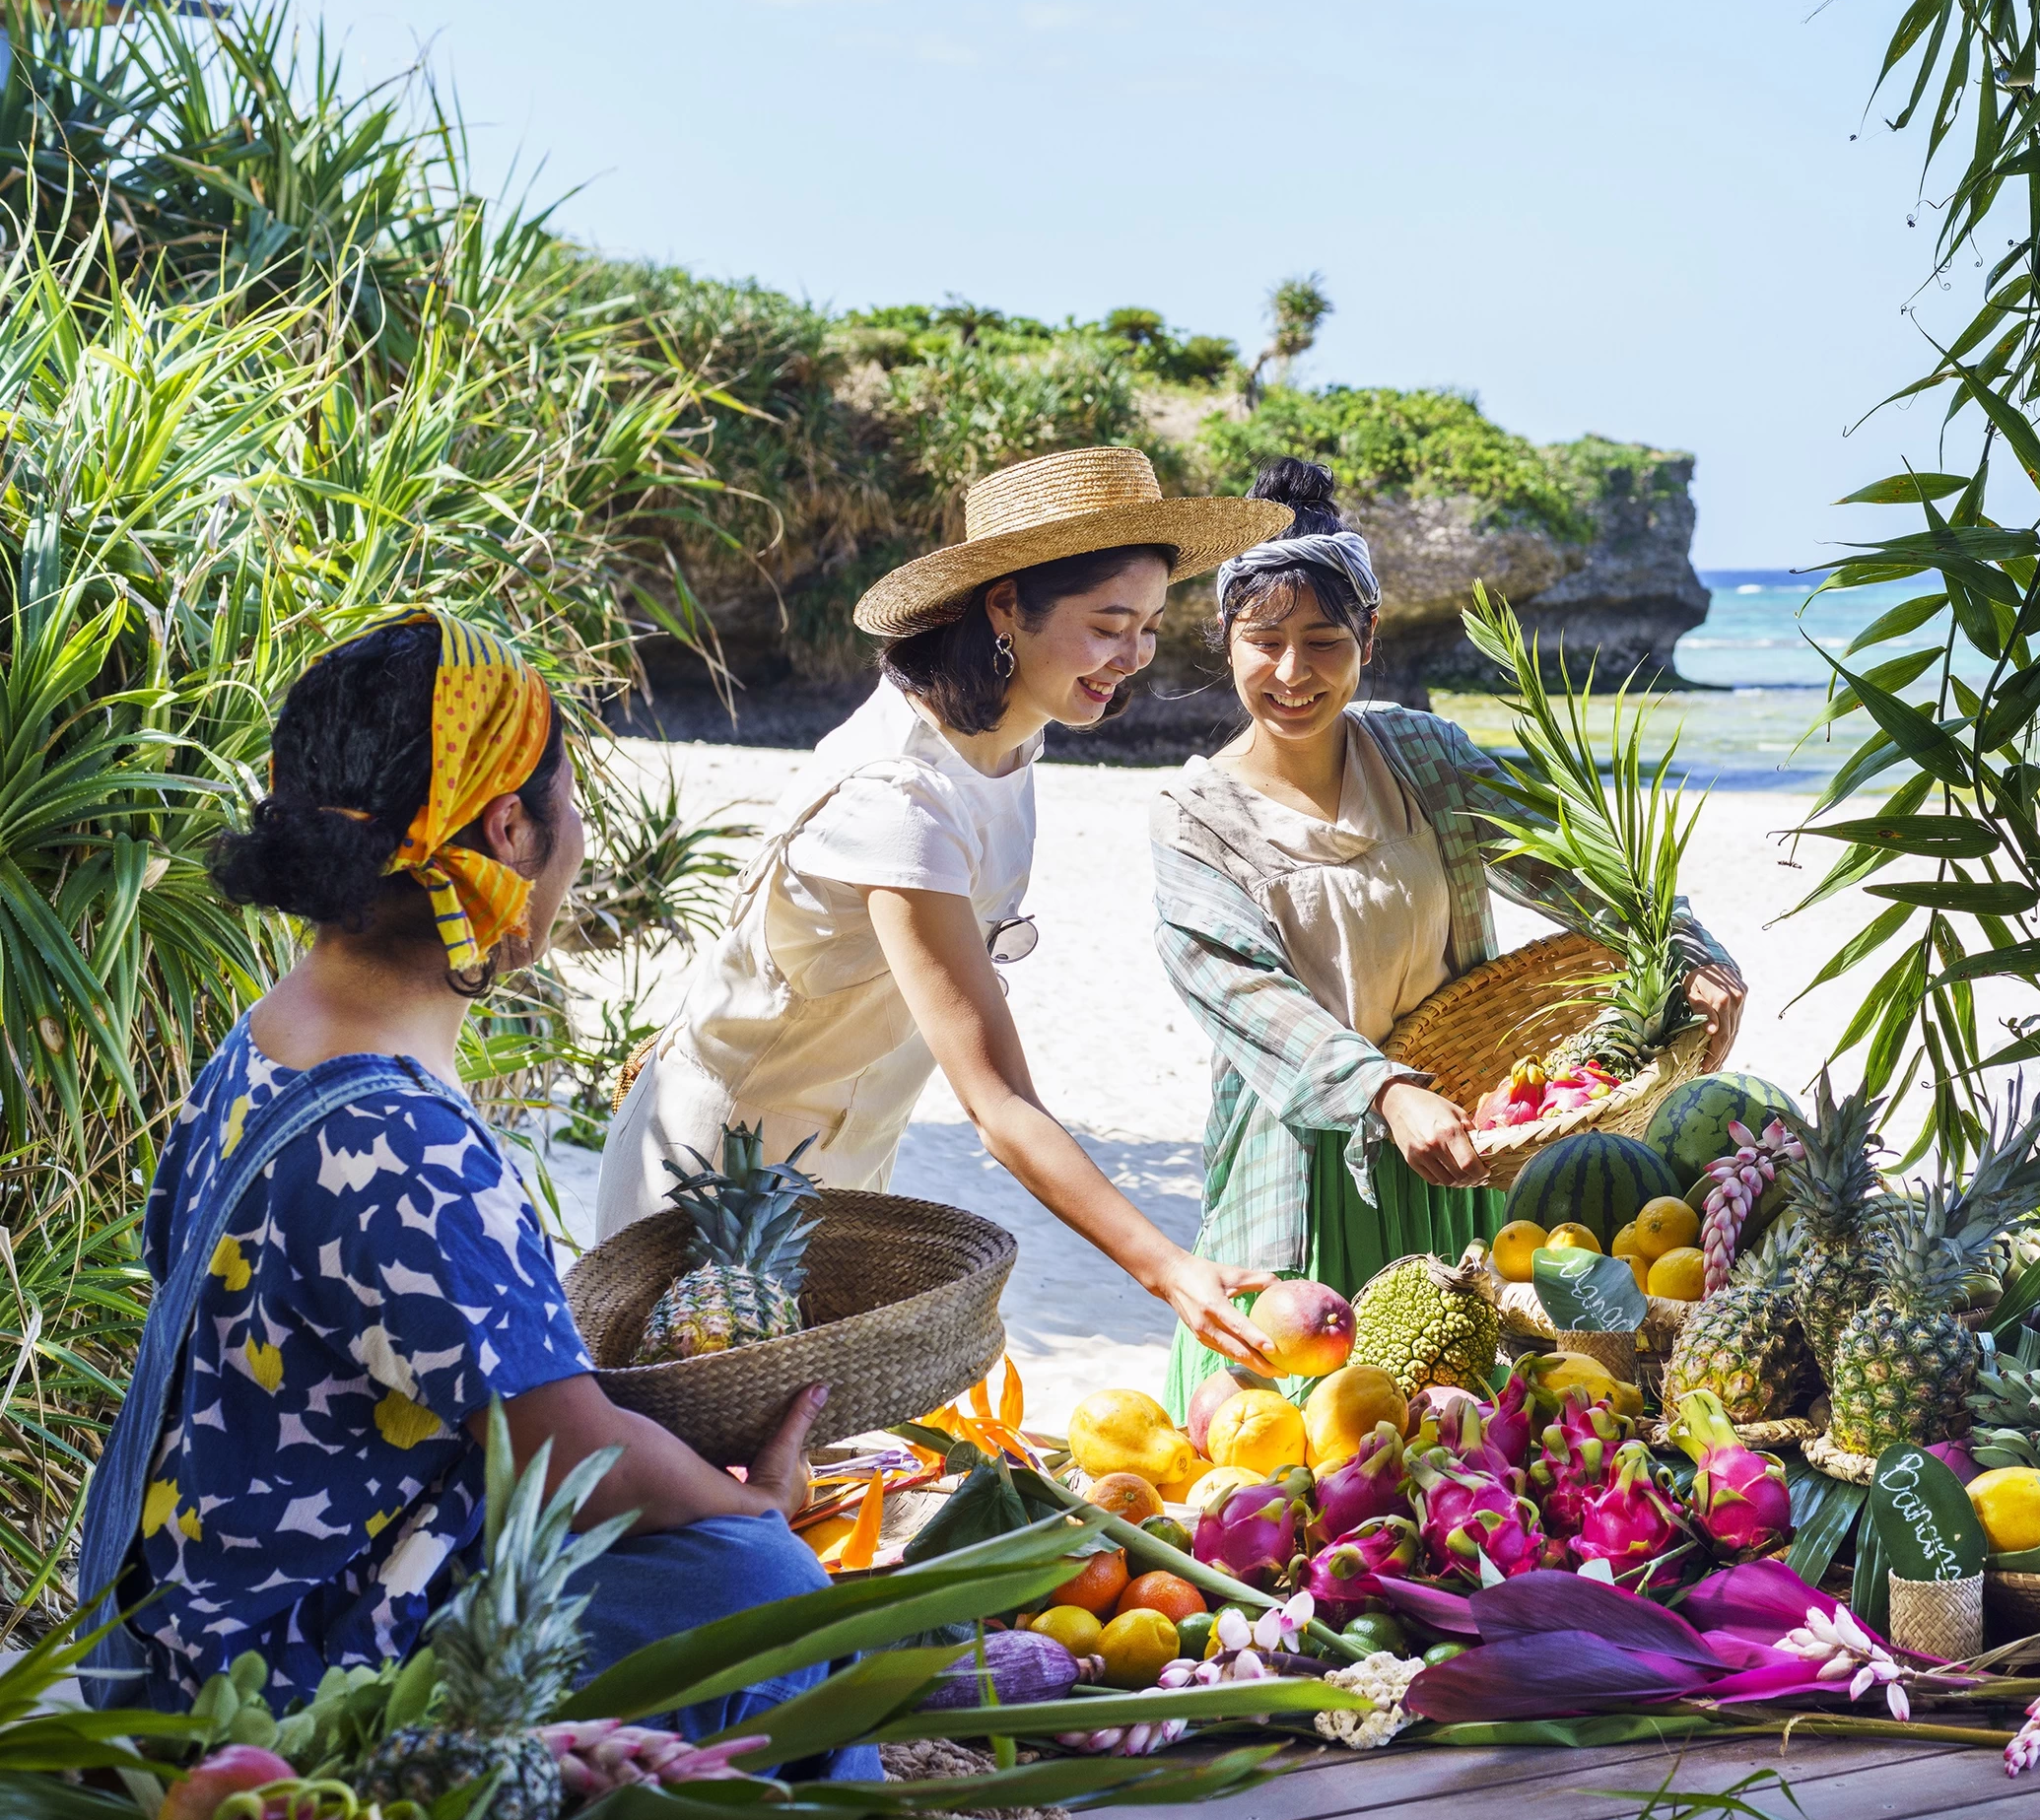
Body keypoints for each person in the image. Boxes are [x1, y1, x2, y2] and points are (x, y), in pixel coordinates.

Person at [74, 612, 870, 1774]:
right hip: (279, 1683)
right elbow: (566, 1457)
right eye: (568, 797)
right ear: (510, 827)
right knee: (759, 1584)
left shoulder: (265, 1043)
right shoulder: (403, 1137)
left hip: (177, 1623)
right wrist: (754, 1501)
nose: (579, 829)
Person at [598, 446, 1294, 1372]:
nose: (1132, 659)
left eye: (1152, 628)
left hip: (842, 1168)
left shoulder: (1008, 744)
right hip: (714, 1180)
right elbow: (996, 1101)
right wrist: (1167, 1267)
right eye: (1107, 626)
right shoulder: (901, 798)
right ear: (1006, 605)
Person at [1151, 460, 1747, 1415]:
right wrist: (1382, 1089)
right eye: (1264, 641)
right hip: (1303, 1167)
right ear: (1223, 639)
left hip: (1460, 1150)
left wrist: (1687, 946)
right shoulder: (1196, 816)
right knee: (1278, 1444)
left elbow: (1575, 863)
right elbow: (1248, 995)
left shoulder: (1425, 758)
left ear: (1369, 638)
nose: (1293, 672)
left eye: (1323, 640)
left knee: (1451, 1424)